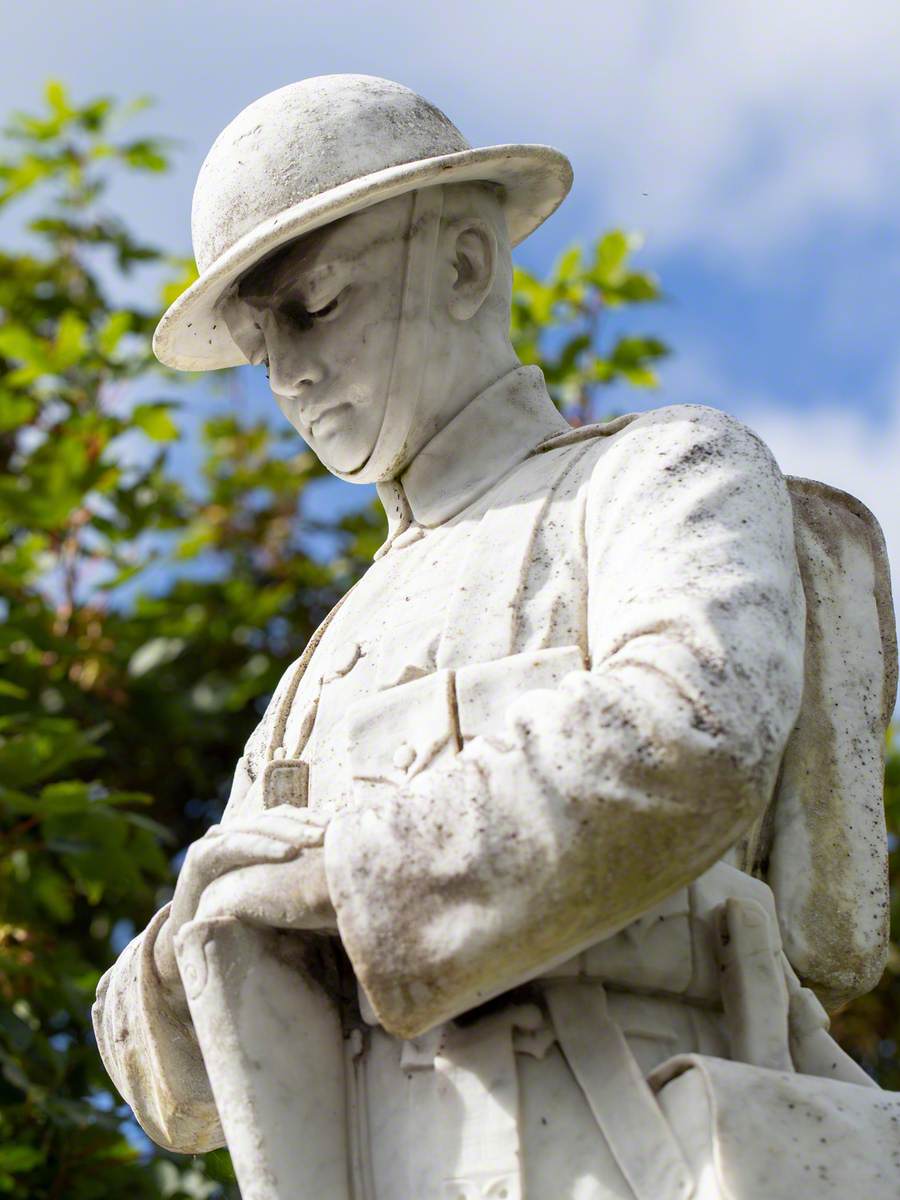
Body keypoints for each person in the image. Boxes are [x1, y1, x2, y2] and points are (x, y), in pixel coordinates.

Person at [94, 76, 896, 1200]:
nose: (285, 372)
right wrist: (191, 950)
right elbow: (168, 1084)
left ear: (465, 264)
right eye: (257, 337)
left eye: (316, 306)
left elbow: (697, 729)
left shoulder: (658, 474)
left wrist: (349, 875)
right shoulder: (317, 671)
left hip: (637, 1148)